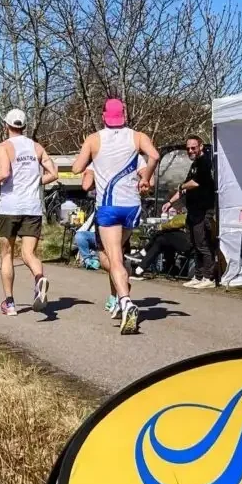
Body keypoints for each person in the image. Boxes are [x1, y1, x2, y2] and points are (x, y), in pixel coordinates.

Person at [72, 98, 159, 335]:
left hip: (108, 206)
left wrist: (92, 159)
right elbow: (154, 157)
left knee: (113, 260)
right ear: (125, 114)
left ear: (103, 116)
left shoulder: (94, 139)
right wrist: (145, 179)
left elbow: (77, 169)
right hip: (132, 207)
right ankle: (121, 284)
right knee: (112, 256)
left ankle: (126, 301)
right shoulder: (137, 137)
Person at [0, 109, 58, 315]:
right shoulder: (37, 147)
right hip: (32, 208)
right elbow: (53, 173)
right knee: (28, 254)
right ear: (25, 126)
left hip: (10, 207)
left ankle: (10, 304)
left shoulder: (2, 147)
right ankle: (39, 279)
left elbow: (4, 173)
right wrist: (34, 181)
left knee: (7, 255)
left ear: (6, 126)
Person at [164, 134, 218, 289]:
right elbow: (185, 186)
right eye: (188, 148)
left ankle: (209, 277)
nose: (190, 151)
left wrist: (182, 187)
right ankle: (198, 275)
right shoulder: (193, 164)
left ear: (200, 146)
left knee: (203, 243)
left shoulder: (205, 162)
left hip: (203, 210)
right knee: (194, 243)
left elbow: (194, 183)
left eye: (193, 147)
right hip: (192, 210)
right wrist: (170, 202)